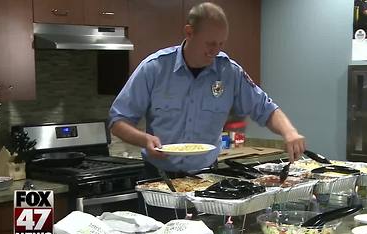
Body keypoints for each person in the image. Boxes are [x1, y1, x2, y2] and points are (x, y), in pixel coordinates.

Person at [109, 2, 305, 176]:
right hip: (159, 176)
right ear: (189, 32)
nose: (216, 50)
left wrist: (290, 133)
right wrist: (144, 139)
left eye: (221, 44)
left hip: (206, 177)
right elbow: (118, 121)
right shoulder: (155, 68)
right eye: (210, 43)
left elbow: (265, 109)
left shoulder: (229, 72)